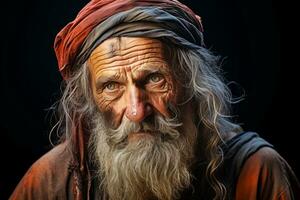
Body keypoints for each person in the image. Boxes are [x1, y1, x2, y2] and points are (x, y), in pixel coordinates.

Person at [9, 0, 299, 199]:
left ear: (191, 82)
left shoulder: (256, 173)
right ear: (90, 99)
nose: (136, 111)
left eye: (154, 79)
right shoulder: (53, 180)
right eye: (111, 86)